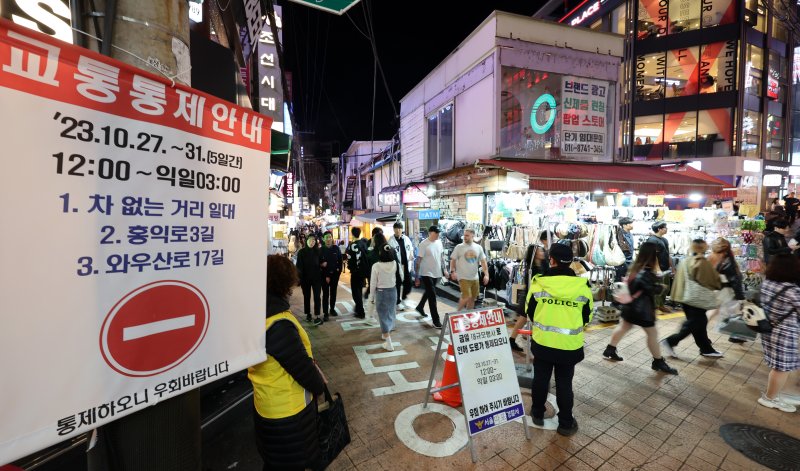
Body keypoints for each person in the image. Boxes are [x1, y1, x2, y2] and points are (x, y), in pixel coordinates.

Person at [249, 255, 326, 471]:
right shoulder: (277, 323)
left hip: (266, 405)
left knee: (275, 463)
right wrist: (320, 386)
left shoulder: (254, 313)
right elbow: (302, 370)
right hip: (289, 414)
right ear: (284, 282)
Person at [525, 243, 593, 437]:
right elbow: (587, 317)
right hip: (569, 346)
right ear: (570, 261)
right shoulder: (582, 286)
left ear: (551, 260)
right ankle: (565, 423)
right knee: (564, 383)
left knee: (540, 379)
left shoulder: (539, 283)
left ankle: (537, 413)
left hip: (543, 343)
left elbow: (530, 313)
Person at [602, 242, 678, 375]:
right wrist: (661, 287)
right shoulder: (646, 271)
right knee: (652, 334)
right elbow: (650, 289)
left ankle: (610, 349)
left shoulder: (635, 267)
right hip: (642, 310)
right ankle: (658, 361)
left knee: (623, 327)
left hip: (630, 307)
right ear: (652, 255)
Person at [663, 239, 723, 358]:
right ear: (703, 248)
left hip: (686, 297)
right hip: (697, 299)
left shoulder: (686, 261)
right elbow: (709, 279)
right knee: (695, 323)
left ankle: (706, 348)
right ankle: (670, 341)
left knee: (699, 323)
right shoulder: (701, 261)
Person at [756, 254, 800, 412]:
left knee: (780, 366)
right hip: (784, 334)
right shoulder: (791, 290)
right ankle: (769, 398)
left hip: (768, 329)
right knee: (781, 368)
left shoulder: (768, 283)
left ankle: (778, 393)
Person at [708, 238, 748, 344]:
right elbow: (735, 281)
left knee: (718, 311)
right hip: (726, 292)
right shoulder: (729, 262)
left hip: (718, 291)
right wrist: (741, 297)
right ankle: (736, 335)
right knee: (734, 312)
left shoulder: (714, 259)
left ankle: (736, 335)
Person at [510, 243, 549, 352]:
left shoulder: (544, 264)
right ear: (534, 254)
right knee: (523, 319)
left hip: (538, 297)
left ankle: (517, 338)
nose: (543, 252)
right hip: (530, 296)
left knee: (525, 319)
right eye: (540, 251)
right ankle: (513, 340)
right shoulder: (531, 267)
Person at [370, 245, 402, 352]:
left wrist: (371, 297)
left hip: (381, 292)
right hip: (393, 291)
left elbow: (373, 283)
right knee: (390, 313)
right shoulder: (395, 264)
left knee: (382, 317)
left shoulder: (376, 266)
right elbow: (401, 276)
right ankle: (385, 335)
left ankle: (389, 343)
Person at [449, 228, 490, 310]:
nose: (465, 237)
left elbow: (483, 262)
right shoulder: (459, 247)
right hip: (463, 277)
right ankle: (457, 313)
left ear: (472, 236)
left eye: (467, 235)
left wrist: (486, 275)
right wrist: (452, 271)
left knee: (472, 299)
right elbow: (453, 260)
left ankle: (468, 316)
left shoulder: (478, 248)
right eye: (464, 235)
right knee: (466, 296)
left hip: (475, 277)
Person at [415, 226, 447, 328]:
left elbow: (442, 257)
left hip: (436, 272)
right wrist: (416, 276)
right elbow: (418, 260)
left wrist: (445, 269)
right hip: (426, 273)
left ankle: (420, 307)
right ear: (430, 233)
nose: (438, 235)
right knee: (432, 296)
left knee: (429, 292)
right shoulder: (423, 244)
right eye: (436, 233)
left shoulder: (439, 242)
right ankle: (436, 320)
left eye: (438, 233)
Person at [646, 221, 674, 313]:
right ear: (659, 229)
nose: (667, 229)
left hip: (665, 268)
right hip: (656, 269)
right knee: (658, 288)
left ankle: (661, 305)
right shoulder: (652, 240)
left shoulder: (664, 240)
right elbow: (653, 256)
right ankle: (656, 307)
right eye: (665, 227)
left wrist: (673, 267)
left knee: (665, 288)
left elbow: (667, 254)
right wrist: (657, 269)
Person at [295, 235, 323, 326]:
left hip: (317, 279)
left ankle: (317, 315)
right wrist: (299, 278)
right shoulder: (301, 252)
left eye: (314, 241)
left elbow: (321, 263)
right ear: (306, 241)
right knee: (307, 297)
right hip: (305, 279)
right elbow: (299, 267)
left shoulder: (318, 251)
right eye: (310, 240)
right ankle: (308, 314)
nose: (312, 242)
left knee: (317, 297)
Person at [388, 221, 414, 308]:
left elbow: (411, 249)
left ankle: (404, 297)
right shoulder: (391, 241)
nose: (398, 230)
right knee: (398, 283)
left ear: (402, 229)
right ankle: (398, 301)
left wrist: (411, 254)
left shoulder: (406, 239)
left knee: (409, 283)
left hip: (407, 264)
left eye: (400, 228)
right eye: (396, 228)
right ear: (394, 229)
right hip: (397, 266)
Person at [346, 227, 369, 318]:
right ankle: (360, 310)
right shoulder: (364, 244)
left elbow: (349, 259)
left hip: (355, 272)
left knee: (356, 293)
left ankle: (360, 312)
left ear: (352, 234)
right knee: (359, 290)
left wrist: (350, 268)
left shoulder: (352, 245)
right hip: (363, 272)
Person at [320, 231, 343, 321]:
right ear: (323, 239)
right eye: (327, 237)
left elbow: (340, 261)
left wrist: (338, 272)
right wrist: (325, 275)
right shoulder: (321, 250)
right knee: (325, 294)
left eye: (330, 237)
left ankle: (332, 309)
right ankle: (326, 313)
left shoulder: (336, 248)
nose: (329, 239)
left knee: (333, 293)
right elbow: (319, 264)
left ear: (332, 238)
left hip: (335, 276)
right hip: (324, 277)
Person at [615, 217, 635, 282]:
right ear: (624, 225)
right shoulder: (620, 234)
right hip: (622, 262)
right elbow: (622, 247)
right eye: (630, 224)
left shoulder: (629, 233)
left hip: (629, 260)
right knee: (620, 280)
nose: (632, 225)